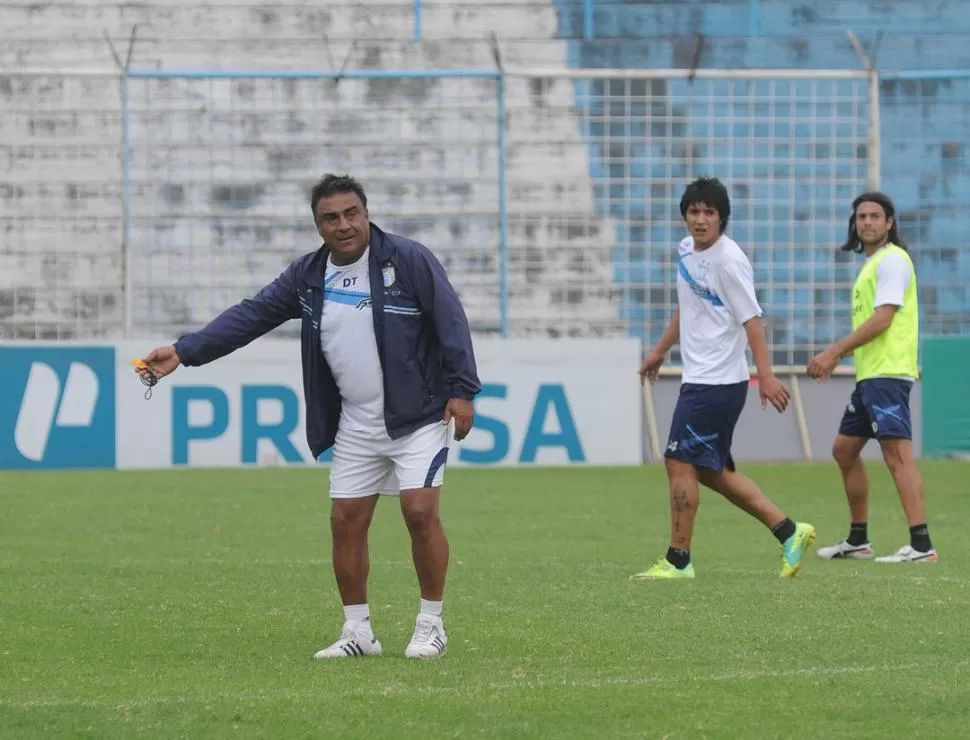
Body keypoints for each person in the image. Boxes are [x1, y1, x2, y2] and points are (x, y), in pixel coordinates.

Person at [135, 174, 482, 659]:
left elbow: (451, 320)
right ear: (317, 224)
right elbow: (252, 315)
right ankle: (358, 632)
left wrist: (462, 391)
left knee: (420, 513)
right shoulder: (307, 276)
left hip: (417, 416)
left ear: (366, 213)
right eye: (330, 218)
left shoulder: (407, 260)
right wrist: (183, 350)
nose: (343, 225)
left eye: (351, 214)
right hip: (356, 423)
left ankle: (431, 625)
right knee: (346, 522)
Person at [632, 177, 816, 580]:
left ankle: (679, 560)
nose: (700, 220)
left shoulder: (729, 261)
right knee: (709, 471)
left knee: (677, 460)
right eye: (694, 212)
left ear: (722, 218)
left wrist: (765, 376)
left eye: (709, 213)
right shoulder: (686, 251)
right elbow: (688, 305)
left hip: (716, 383)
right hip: (701, 379)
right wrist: (660, 350)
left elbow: (753, 321)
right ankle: (789, 531)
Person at [807, 192, 936, 563]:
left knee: (897, 456)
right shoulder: (872, 264)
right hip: (871, 376)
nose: (867, 222)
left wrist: (833, 352)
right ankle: (858, 540)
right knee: (843, 450)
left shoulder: (893, 261)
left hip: (889, 373)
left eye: (874, 216)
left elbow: (883, 319)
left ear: (889, 223)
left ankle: (922, 545)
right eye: (861, 216)